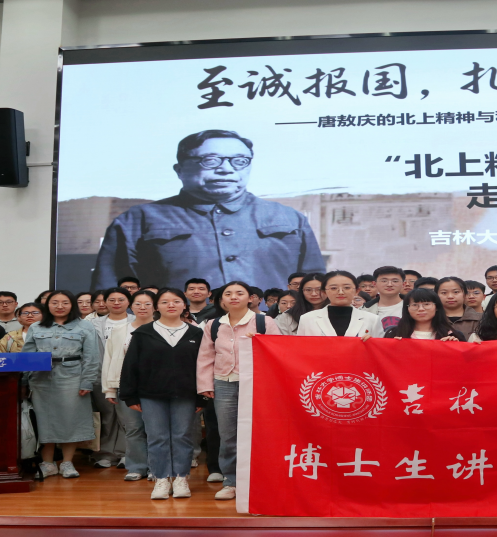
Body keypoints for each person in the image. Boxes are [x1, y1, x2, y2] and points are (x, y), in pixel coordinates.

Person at [92, 130, 326, 292]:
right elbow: (110, 292)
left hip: (269, 335)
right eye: (210, 161)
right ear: (179, 169)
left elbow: (314, 289)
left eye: (239, 161)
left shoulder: (289, 218)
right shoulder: (137, 220)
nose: (226, 169)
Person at [197, 281, 282, 501]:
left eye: (239, 293)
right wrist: (205, 385)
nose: (233, 297)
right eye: (228, 293)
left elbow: (278, 351)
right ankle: (231, 481)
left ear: (250, 298)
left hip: (257, 384)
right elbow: (206, 356)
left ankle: (261, 480)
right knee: (228, 435)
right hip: (224, 383)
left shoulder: (264, 321)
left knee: (259, 433)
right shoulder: (213, 324)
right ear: (221, 300)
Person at [121, 288, 206, 499]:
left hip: (186, 394)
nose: (171, 305)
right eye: (165, 301)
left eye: (176, 301)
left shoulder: (196, 333)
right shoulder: (143, 333)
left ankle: (181, 478)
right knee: (157, 437)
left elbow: (203, 367)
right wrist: (130, 395)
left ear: (184, 305)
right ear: (157, 306)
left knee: (182, 436)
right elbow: (130, 365)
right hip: (151, 394)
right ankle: (161, 478)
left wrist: (201, 396)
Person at [22, 290, 100, 479]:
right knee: (44, 421)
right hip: (41, 379)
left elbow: (92, 357)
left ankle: (67, 462)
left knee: (70, 419)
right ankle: (48, 463)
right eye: (54, 302)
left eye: (65, 302)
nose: (59, 306)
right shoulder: (36, 327)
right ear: (47, 305)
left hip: (72, 378)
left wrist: (87, 381)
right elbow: (27, 356)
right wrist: (24, 381)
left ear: (72, 305)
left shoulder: (85, 326)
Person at [102, 290, 156, 482]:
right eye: (138, 304)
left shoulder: (162, 329)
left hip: (156, 387)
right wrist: (109, 389)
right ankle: (137, 467)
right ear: (131, 306)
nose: (142, 308)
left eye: (147, 304)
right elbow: (109, 359)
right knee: (133, 428)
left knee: (156, 429)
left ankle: (156, 467)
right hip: (125, 386)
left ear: (155, 307)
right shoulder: (119, 331)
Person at [88, 287, 135, 469]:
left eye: (121, 299)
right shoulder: (91, 324)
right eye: (112, 300)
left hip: (128, 375)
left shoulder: (136, 321)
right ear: (105, 302)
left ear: (128, 302)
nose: (116, 303)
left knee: (128, 417)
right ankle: (105, 454)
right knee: (106, 417)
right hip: (100, 374)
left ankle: (126, 453)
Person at [296, 271, 383, 338]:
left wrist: (371, 343)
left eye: (347, 288)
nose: (341, 292)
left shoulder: (372, 319)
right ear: (324, 292)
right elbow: (301, 348)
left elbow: (379, 349)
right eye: (334, 288)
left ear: (357, 291)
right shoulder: (307, 319)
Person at [384, 289, 465, 341]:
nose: (421, 309)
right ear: (407, 309)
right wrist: (393, 346)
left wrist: (455, 346)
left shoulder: (453, 335)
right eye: (415, 305)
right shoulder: (394, 334)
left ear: (437, 307)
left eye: (426, 304)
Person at [363, 266, 406, 332]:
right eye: (384, 281)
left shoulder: (412, 306)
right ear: (374, 284)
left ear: (403, 284)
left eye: (395, 281)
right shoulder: (364, 310)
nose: (389, 284)